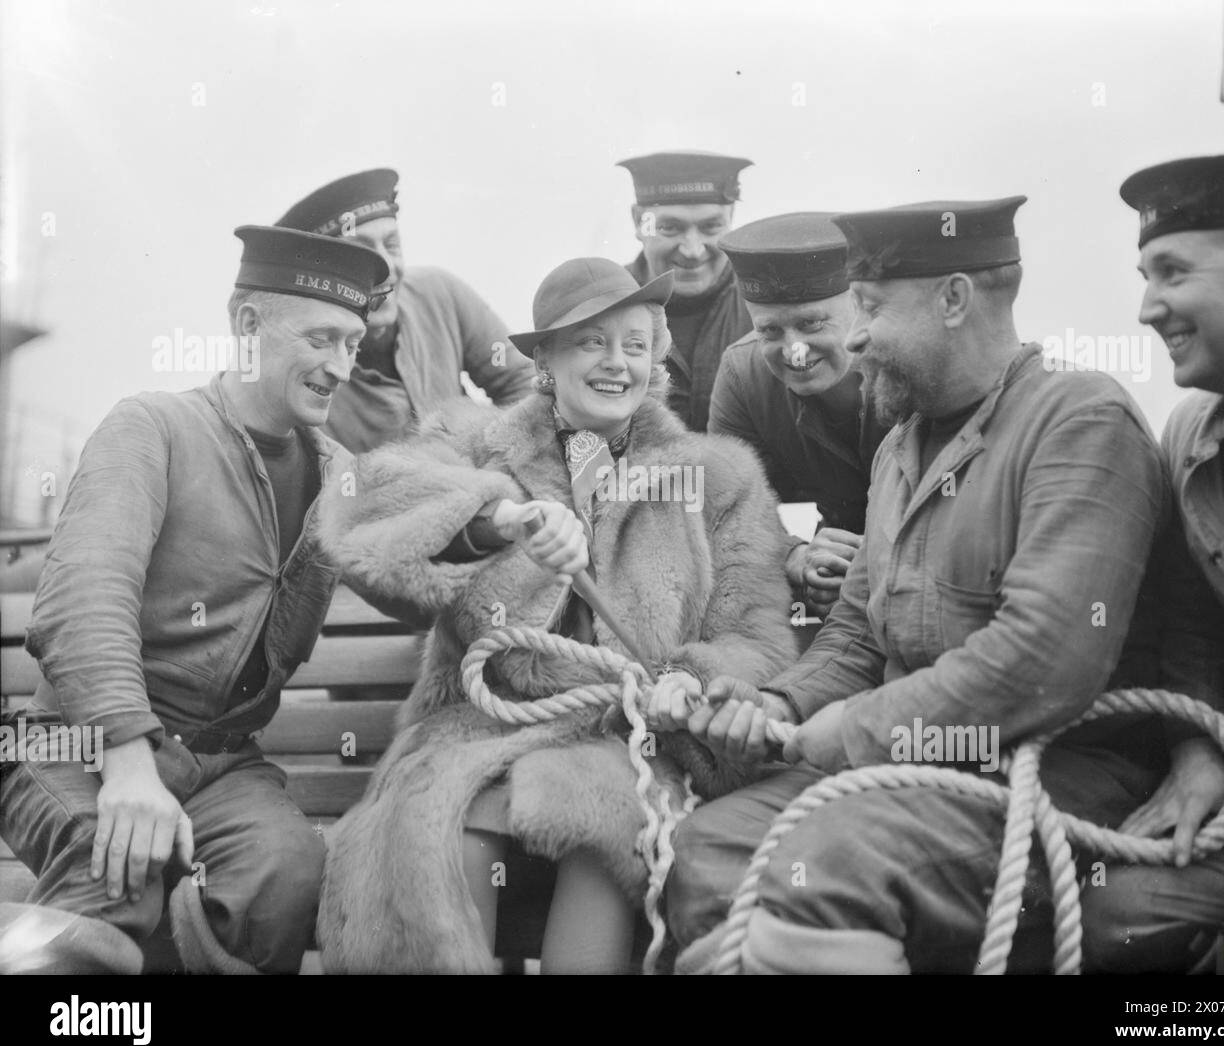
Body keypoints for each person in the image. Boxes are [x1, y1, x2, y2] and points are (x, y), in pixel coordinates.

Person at [664, 196, 1172, 974]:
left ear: (954, 298)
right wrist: (781, 702)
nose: (856, 334)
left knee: (828, 860)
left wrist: (858, 730)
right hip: (907, 771)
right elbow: (858, 635)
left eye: (869, 306)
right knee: (707, 848)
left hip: (1054, 771)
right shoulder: (898, 447)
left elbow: (1044, 659)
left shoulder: (1079, 420)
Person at [314, 257, 796, 973]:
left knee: (605, 835)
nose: (616, 364)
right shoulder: (473, 440)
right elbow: (363, 502)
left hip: (627, 737)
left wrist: (696, 682)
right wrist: (497, 516)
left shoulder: (719, 476)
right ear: (544, 356)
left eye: (635, 344)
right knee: (438, 831)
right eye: (591, 343)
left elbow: (756, 633)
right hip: (474, 729)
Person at [0, 226, 390, 973]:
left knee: (284, 871)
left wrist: (502, 522)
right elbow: (82, 596)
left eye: (353, 343)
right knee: (120, 863)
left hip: (223, 767)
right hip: (74, 744)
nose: (341, 366)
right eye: (321, 338)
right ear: (247, 325)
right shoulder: (151, 427)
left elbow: (413, 560)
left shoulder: (340, 476)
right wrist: (129, 762)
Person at [1082, 149, 1224, 972]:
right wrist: (1204, 747)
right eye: (1144, 275)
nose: (1147, 307)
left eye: (1171, 272)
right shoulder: (1189, 434)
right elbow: (1196, 621)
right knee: (1119, 917)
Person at [276, 168, 534, 453]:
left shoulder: (439, 293)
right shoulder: (304, 371)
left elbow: (525, 381)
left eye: (392, 245)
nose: (386, 268)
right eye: (363, 254)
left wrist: (492, 457)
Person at [710, 212, 890, 617]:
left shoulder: (904, 360)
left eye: (811, 324)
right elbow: (729, 507)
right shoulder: (744, 375)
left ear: (859, 307)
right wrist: (794, 555)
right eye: (770, 332)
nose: (793, 350)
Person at [619, 151, 755, 430]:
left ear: (731, 218)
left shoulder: (764, 304)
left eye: (711, 227)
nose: (692, 250)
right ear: (637, 222)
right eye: (670, 227)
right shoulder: (601, 305)